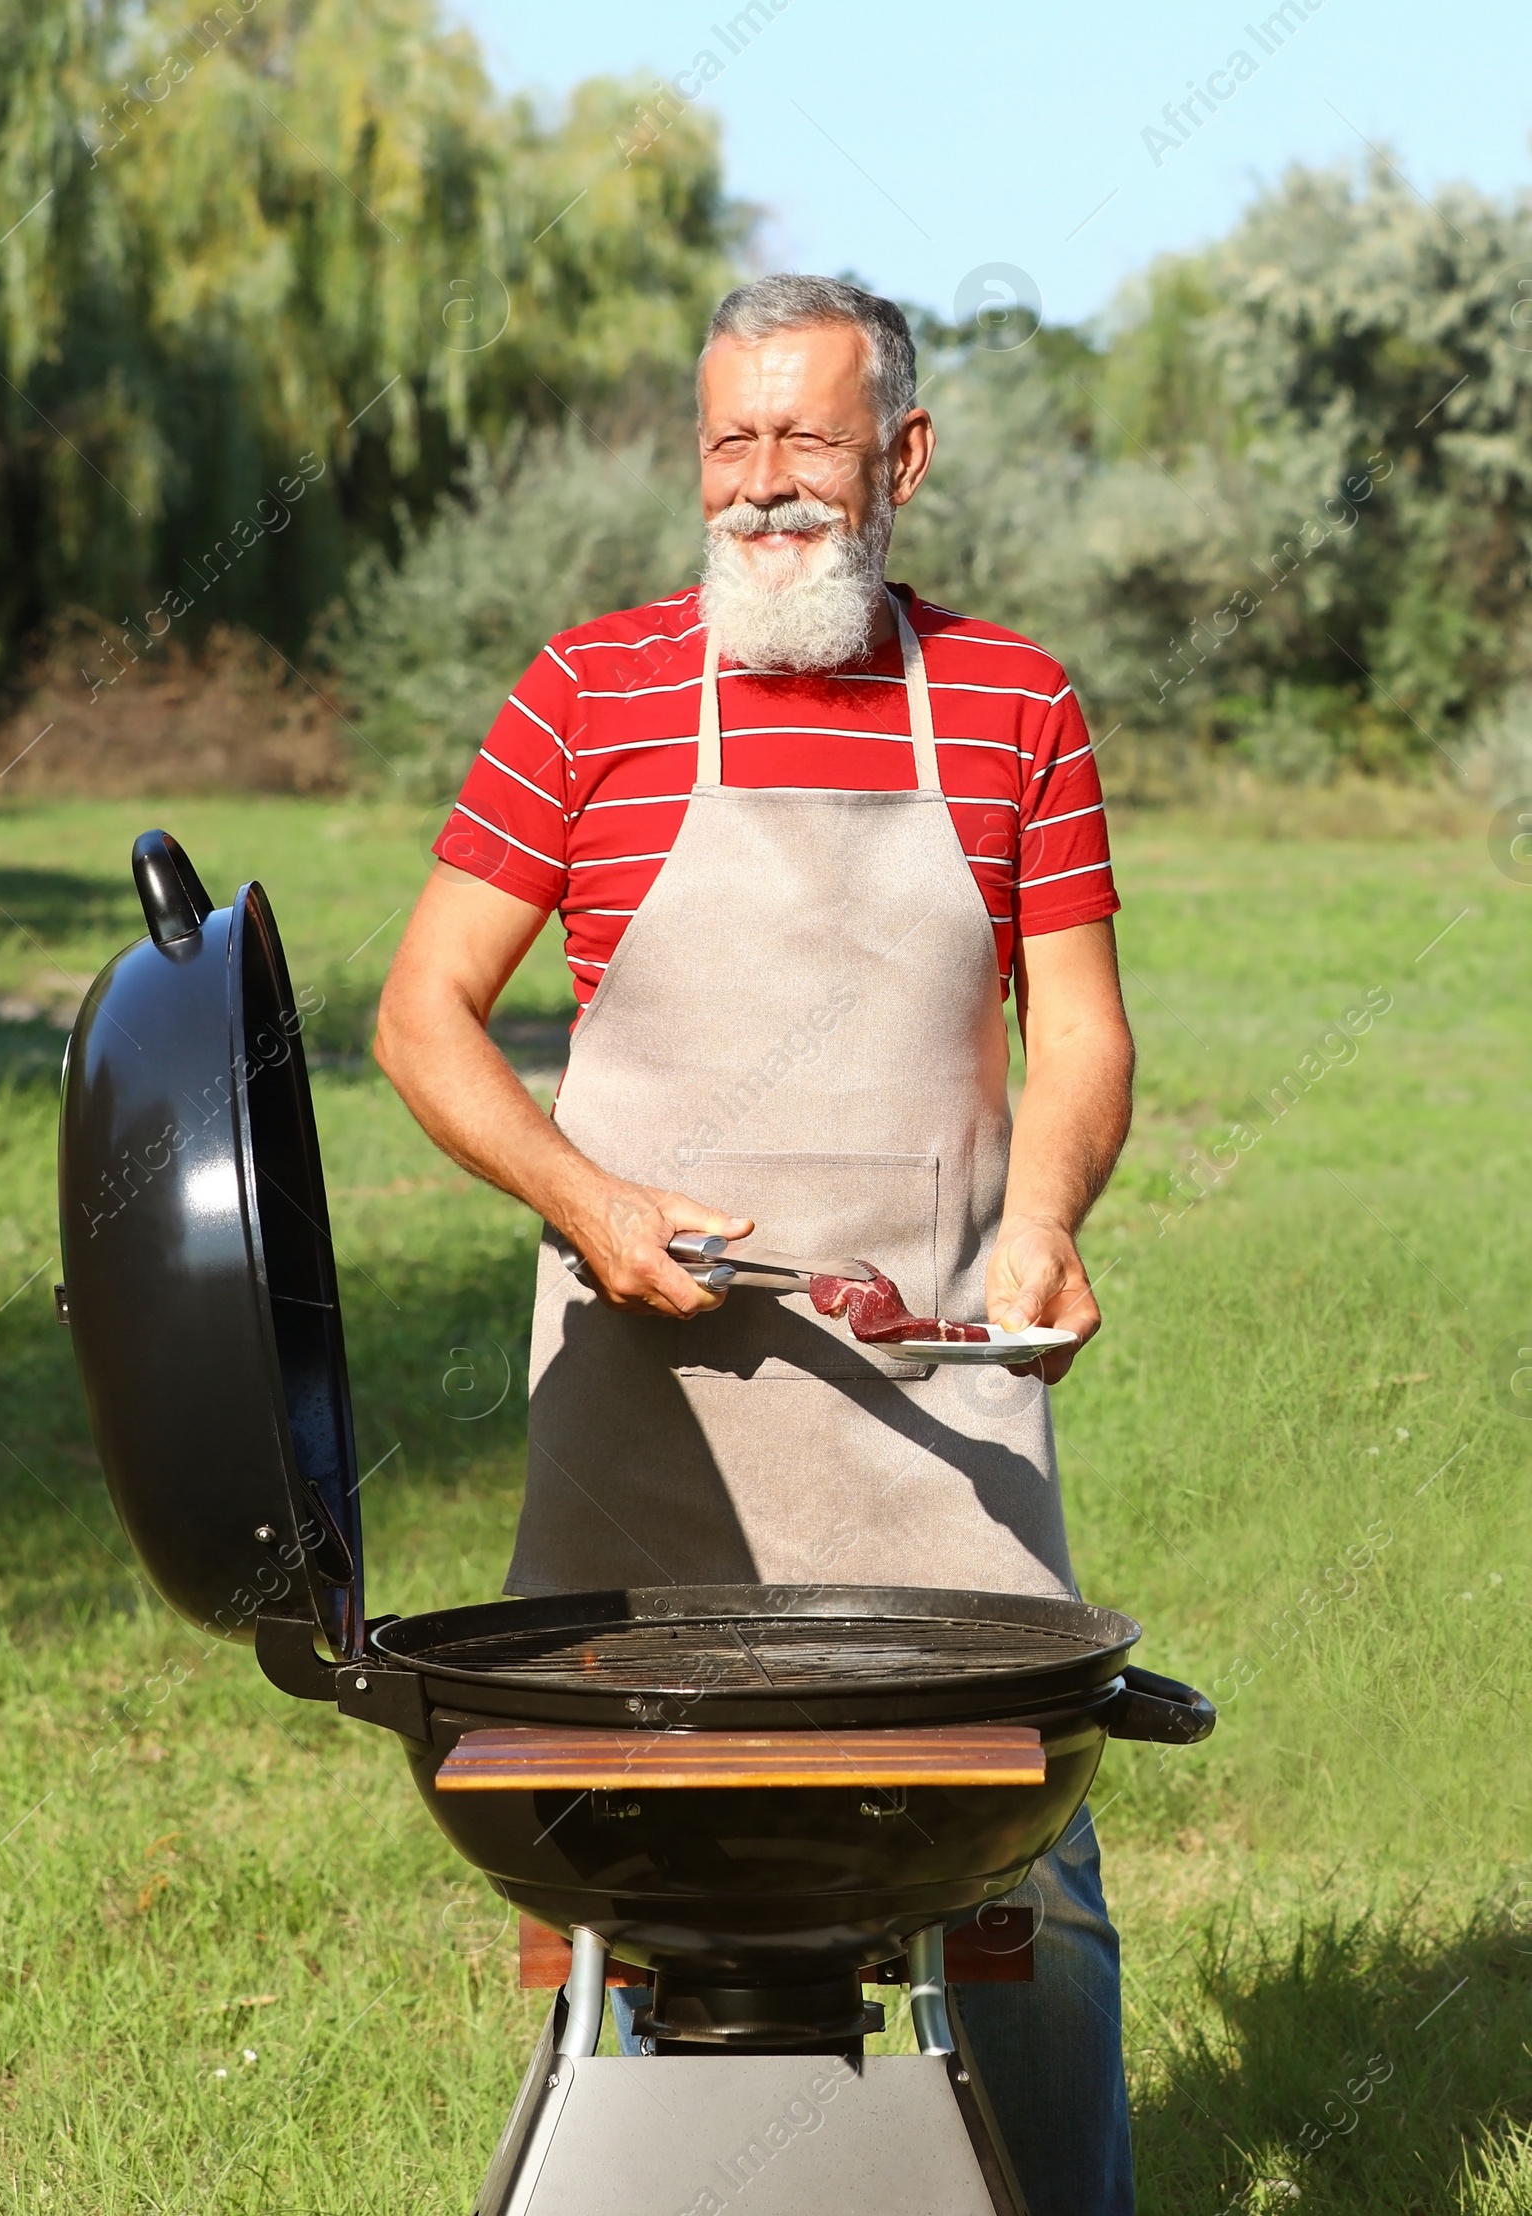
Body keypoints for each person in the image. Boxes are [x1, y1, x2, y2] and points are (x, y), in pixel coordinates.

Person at [376, 275, 1137, 2216]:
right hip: (648, 1424)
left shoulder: (1010, 700)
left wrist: (1037, 1225)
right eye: (729, 439)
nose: (762, 484)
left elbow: (1080, 1026)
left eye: (804, 437)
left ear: (902, 455)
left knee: (1020, 1886)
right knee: (612, 1881)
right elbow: (422, 1017)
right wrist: (588, 1202)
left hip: (933, 1417)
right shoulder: (585, 691)